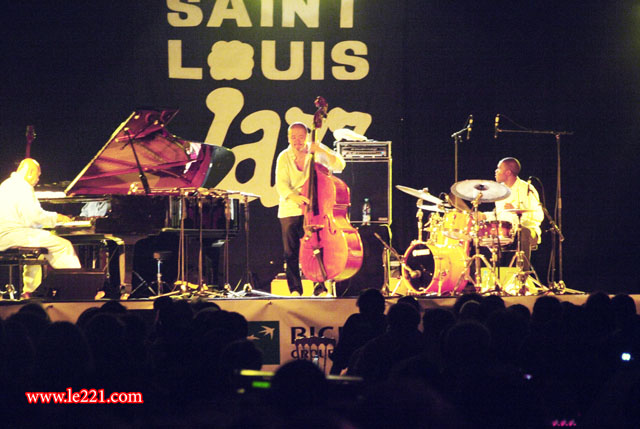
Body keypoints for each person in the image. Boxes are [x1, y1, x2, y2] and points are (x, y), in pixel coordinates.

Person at [275, 122, 346, 296]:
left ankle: (319, 286)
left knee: (317, 247)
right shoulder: (283, 157)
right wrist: (296, 198)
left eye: (301, 137)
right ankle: (295, 289)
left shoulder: (316, 150)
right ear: (288, 138)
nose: (297, 141)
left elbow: (340, 165)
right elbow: (282, 185)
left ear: (306, 136)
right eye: (293, 137)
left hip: (314, 210)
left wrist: (321, 151)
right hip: (290, 208)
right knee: (290, 252)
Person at [0, 159, 81, 298]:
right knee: (63, 246)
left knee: (40, 250)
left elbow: (27, 219)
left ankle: (30, 292)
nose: (38, 180)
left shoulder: (6, 184)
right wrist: (57, 217)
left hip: (7, 235)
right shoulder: (23, 186)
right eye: (38, 175)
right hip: (12, 235)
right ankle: (76, 289)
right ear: (30, 172)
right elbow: (34, 217)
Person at [490, 157, 543, 270]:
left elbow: (538, 216)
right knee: (485, 235)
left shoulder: (527, 188)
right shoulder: (499, 191)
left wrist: (517, 211)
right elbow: (499, 215)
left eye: (499, 168)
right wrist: (484, 216)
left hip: (529, 232)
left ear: (508, 172)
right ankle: (494, 275)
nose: (496, 171)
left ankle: (523, 274)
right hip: (507, 232)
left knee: (522, 232)